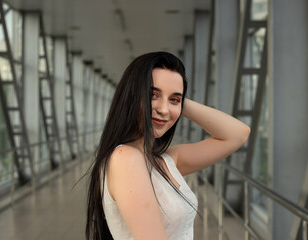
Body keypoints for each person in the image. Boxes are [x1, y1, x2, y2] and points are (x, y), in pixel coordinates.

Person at [86, 51, 250, 240]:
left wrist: (177, 102)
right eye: (152, 94)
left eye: (174, 100)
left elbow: (238, 134)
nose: (163, 110)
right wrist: (171, 98)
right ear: (131, 95)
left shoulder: (166, 160)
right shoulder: (125, 159)